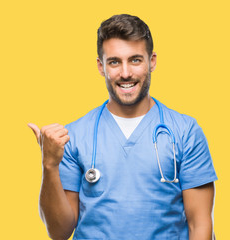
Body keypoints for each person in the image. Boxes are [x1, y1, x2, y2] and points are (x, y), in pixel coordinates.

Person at [28, 14, 217, 240]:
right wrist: (49, 165)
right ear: (101, 66)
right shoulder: (74, 137)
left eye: (135, 60)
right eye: (114, 62)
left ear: (152, 61)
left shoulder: (185, 132)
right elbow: (59, 232)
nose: (125, 73)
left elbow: (200, 225)